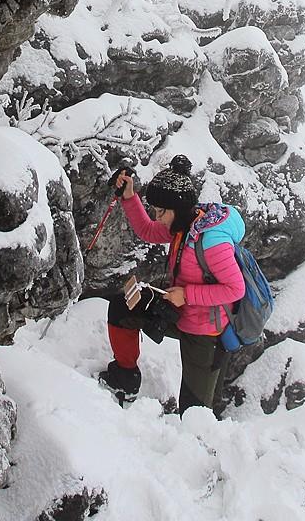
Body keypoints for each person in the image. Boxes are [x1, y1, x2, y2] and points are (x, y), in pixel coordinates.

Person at [98, 154, 246, 414]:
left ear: (178, 208)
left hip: (206, 334)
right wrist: (130, 197)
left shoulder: (211, 241)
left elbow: (235, 289)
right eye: (156, 210)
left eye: (161, 211)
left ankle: (201, 445)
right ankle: (125, 377)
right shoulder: (182, 226)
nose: (159, 217)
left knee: (194, 412)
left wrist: (187, 295)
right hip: (180, 312)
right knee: (122, 308)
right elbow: (147, 230)